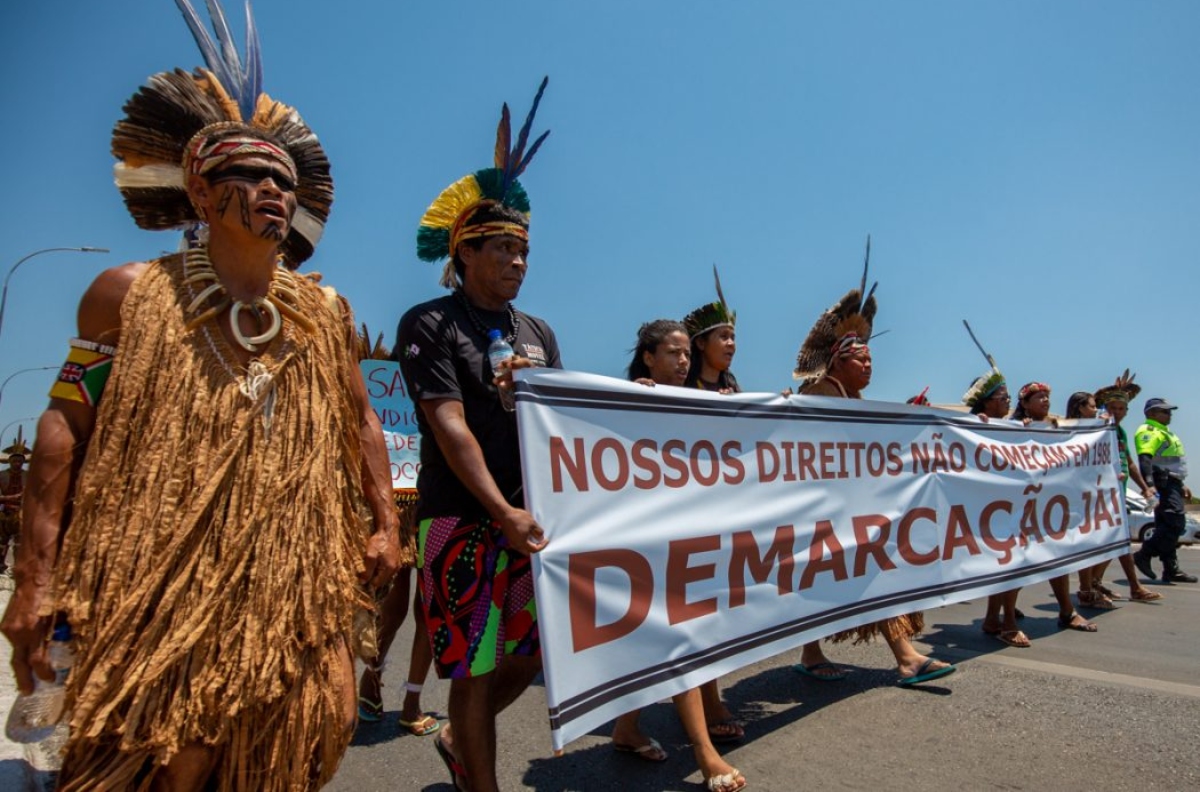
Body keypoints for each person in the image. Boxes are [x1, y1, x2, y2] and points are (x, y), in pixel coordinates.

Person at [0, 3, 401, 789]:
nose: (271, 192)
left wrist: (387, 524)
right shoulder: (125, 297)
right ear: (198, 190)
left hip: (294, 576)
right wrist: (38, 577)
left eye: (281, 180)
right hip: (159, 581)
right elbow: (63, 425)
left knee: (307, 734)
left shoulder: (326, 314)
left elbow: (361, 425)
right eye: (248, 177)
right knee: (170, 754)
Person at [397, 79, 561, 792]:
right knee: (474, 663)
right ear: (463, 254)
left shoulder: (540, 332)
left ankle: (466, 744)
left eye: (523, 253)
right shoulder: (429, 324)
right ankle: (480, 780)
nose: (517, 264)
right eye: (501, 250)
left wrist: (632, 401)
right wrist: (501, 510)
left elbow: (566, 419)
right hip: (461, 520)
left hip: (529, 522)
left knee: (527, 657)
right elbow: (449, 424)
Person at [791, 241, 955, 685]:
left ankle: (830, 652)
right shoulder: (819, 395)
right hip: (821, 511)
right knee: (865, 572)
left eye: (870, 358)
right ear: (838, 362)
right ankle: (903, 655)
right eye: (860, 359)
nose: (868, 366)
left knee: (855, 577)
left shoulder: (854, 398)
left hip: (850, 510)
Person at [611, 319, 747, 792]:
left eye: (686, 353)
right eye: (672, 353)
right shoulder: (632, 395)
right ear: (648, 358)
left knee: (671, 635)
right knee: (681, 634)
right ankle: (704, 753)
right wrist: (634, 396)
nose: (683, 361)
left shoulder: (698, 397)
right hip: (647, 541)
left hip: (687, 538)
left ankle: (626, 727)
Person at [353, 331, 439, 737]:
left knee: (429, 610)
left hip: (436, 501)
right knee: (394, 603)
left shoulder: (443, 379)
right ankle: (372, 677)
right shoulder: (375, 378)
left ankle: (412, 700)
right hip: (398, 504)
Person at [1010, 383, 1098, 632]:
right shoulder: (1013, 428)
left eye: (1048, 396)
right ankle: (1003, 613)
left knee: (1057, 557)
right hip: (1023, 505)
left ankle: (1067, 611)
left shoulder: (1057, 426)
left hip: (1050, 505)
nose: (1046, 400)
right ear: (1025, 403)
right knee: (1020, 562)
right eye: (1040, 397)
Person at [963, 366, 1031, 647]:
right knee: (1009, 562)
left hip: (1007, 506)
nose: (1007, 400)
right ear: (987, 400)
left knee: (1005, 563)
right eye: (1001, 396)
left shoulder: (1012, 427)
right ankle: (1009, 624)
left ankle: (994, 618)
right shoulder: (970, 427)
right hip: (983, 508)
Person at [1086, 372, 1162, 602]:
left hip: (1117, 494)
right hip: (1099, 494)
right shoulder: (1096, 428)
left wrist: (1146, 487)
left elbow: (1129, 461)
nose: (1117, 412)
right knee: (1115, 541)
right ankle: (1130, 587)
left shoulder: (1120, 432)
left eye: (1121, 409)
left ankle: (1095, 584)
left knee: (1116, 542)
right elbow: (1084, 405)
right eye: (1113, 407)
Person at [1132, 398, 1197, 584]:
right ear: (1151, 413)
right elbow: (1145, 459)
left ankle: (1171, 570)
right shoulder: (1149, 431)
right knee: (1175, 522)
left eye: (1169, 411)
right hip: (1162, 483)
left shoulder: (1164, 432)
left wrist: (1181, 483)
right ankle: (1144, 554)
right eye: (1165, 411)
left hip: (1172, 482)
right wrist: (1149, 485)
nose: (1170, 414)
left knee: (1165, 525)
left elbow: (1170, 463)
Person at [684, 267, 740, 393]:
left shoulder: (735, 393)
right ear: (701, 343)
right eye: (724, 337)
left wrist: (786, 401)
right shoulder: (679, 388)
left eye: (733, 337)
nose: (731, 343)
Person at [0, 429, 30, 576]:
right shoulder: (1, 475)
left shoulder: (29, 476)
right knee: (1, 541)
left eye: (20, 461)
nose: (17, 463)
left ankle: (17, 567)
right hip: (4, 513)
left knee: (20, 543)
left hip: (21, 513)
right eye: (14, 460)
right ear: (9, 461)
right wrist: (10, 498)